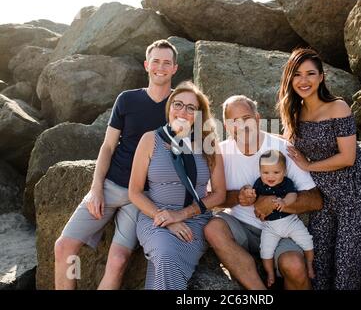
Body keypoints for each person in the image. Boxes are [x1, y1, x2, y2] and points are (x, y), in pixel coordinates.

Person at [54, 39, 179, 290]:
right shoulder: (127, 100)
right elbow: (108, 146)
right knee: (65, 247)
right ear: (147, 65)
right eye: (156, 61)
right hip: (111, 185)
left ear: (175, 68)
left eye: (167, 62)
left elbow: (189, 152)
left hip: (144, 197)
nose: (160, 67)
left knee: (119, 260)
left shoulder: (180, 106)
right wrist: (96, 188)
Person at [277, 47, 361, 290]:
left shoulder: (338, 107)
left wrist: (309, 165)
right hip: (322, 199)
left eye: (311, 74)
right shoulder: (293, 112)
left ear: (321, 77)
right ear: (290, 78)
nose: (304, 80)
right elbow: (285, 147)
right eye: (298, 74)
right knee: (318, 266)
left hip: (356, 194)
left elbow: (348, 157)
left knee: (346, 267)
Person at [204, 95, 323, 290]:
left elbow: (316, 200)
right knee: (213, 228)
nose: (241, 126)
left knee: (294, 266)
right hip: (242, 227)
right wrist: (238, 197)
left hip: (281, 227)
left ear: (257, 119)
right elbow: (213, 198)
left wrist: (275, 202)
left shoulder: (282, 148)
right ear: (226, 126)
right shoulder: (221, 153)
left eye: (246, 118)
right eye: (234, 121)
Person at [128, 81, 226, 290]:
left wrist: (181, 216)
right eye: (178, 104)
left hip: (196, 220)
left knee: (164, 262)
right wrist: (167, 219)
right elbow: (134, 192)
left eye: (191, 108)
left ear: (199, 114)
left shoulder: (209, 144)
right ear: (169, 108)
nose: (183, 111)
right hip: (154, 216)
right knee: (165, 253)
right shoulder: (150, 139)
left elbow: (219, 195)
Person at [249, 149, 314, 288]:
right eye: (265, 172)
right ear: (260, 172)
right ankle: (271, 273)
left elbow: (293, 195)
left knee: (307, 242)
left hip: (290, 222)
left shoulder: (286, 183)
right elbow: (254, 197)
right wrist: (249, 194)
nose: (270, 176)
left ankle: (309, 264)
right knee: (265, 251)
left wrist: (284, 202)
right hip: (270, 227)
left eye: (276, 172)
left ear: (284, 172)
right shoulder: (259, 184)